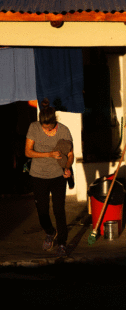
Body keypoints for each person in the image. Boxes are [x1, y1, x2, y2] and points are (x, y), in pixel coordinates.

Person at [25, 99, 74, 257]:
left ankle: (62, 243)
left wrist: (67, 167)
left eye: (49, 127)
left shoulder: (64, 131)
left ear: (55, 122)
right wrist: (49, 154)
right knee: (42, 211)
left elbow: (71, 154)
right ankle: (50, 232)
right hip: (38, 175)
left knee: (59, 210)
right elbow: (28, 152)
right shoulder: (34, 127)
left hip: (57, 176)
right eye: (44, 127)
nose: (46, 130)